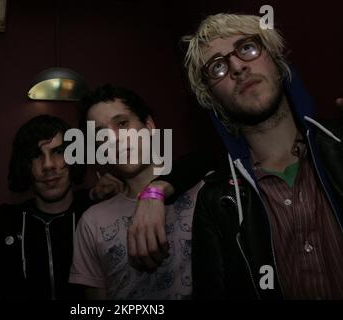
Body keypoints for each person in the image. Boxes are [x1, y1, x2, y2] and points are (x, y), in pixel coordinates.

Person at [134, 13, 343, 299]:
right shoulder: (216, 202)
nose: (236, 67)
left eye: (247, 48)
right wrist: (153, 192)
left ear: (276, 60)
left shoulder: (337, 147)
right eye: (217, 66)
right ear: (212, 98)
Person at [68, 84, 204, 299]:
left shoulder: (203, 190)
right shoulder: (91, 222)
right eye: (101, 134)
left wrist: (156, 191)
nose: (114, 139)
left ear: (148, 125)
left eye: (122, 124)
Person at [0, 114, 125, 300]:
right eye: (36, 156)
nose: (48, 165)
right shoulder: (4, 222)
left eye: (58, 152)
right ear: (25, 165)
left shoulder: (97, 217)